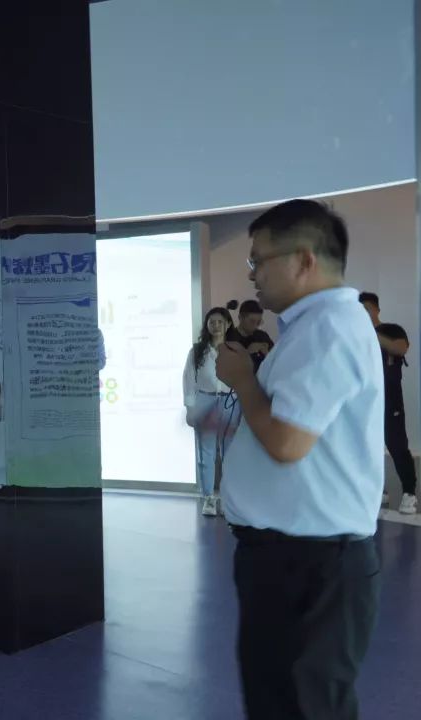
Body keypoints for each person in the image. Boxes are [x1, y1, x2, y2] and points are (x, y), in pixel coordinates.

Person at [216, 199, 382, 720]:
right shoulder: (312, 328)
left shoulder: (330, 328)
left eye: (258, 260)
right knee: (279, 702)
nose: (252, 275)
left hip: (311, 566)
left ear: (304, 260)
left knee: (305, 706)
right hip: (290, 559)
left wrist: (243, 382)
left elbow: (287, 443)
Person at [359, 291, 417, 514]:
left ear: (377, 309)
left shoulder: (392, 330)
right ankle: (378, 491)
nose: (364, 313)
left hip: (390, 400)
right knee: (367, 447)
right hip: (364, 400)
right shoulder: (355, 335)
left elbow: (400, 348)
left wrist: (372, 333)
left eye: (367, 309)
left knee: (397, 445)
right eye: (360, 310)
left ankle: (409, 493)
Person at [182, 307, 240, 517]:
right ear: (206, 325)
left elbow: (243, 377)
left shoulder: (235, 350)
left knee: (230, 453)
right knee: (205, 453)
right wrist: (190, 408)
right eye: (211, 322)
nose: (216, 326)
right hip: (204, 401)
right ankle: (208, 497)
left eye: (220, 322)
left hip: (230, 401)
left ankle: (227, 498)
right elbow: (189, 379)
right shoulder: (197, 351)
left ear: (228, 324)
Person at [226, 300, 275, 369]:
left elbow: (276, 362)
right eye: (252, 321)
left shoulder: (263, 336)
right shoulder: (229, 338)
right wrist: (247, 353)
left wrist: (267, 354)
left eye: (259, 322)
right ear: (240, 318)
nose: (256, 325)